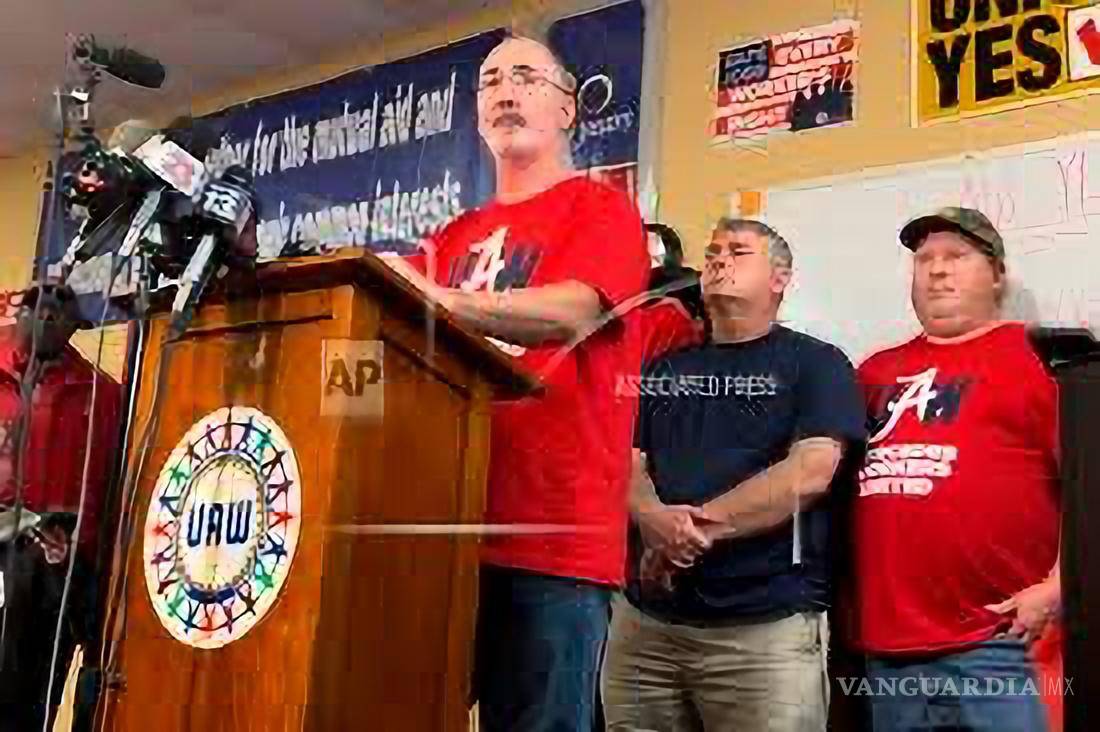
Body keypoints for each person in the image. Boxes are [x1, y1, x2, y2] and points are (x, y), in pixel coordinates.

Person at [387, 34, 650, 731]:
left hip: (550, 541)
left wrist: (443, 303)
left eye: (527, 78)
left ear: (567, 109)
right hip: (437, 536)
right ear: (476, 114)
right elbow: (381, 340)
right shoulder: (449, 237)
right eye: (491, 81)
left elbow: (574, 311)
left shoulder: (603, 210)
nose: (506, 91)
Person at [602, 218, 865, 731]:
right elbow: (626, 462)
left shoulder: (818, 364)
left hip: (764, 632)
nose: (719, 260)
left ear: (780, 278)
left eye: (738, 252)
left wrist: (686, 532)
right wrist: (653, 517)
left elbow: (809, 472)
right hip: (647, 629)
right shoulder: (662, 371)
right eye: (714, 251)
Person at [850, 207, 1062, 731]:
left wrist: (1060, 587)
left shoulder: (1040, 359)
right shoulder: (872, 373)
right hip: (889, 651)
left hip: (1003, 644)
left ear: (997, 275)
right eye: (924, 259)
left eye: (956, 256)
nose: (936, 270)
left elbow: (1090, 488)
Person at [0, 283, 121, 731]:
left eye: (59, 311)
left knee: (27, 704)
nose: (47, 317)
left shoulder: (102, 396)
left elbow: (108, 492)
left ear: (76, 327)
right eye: (35, 307)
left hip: (55, 572)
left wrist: (77, 549)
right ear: (19, 315)